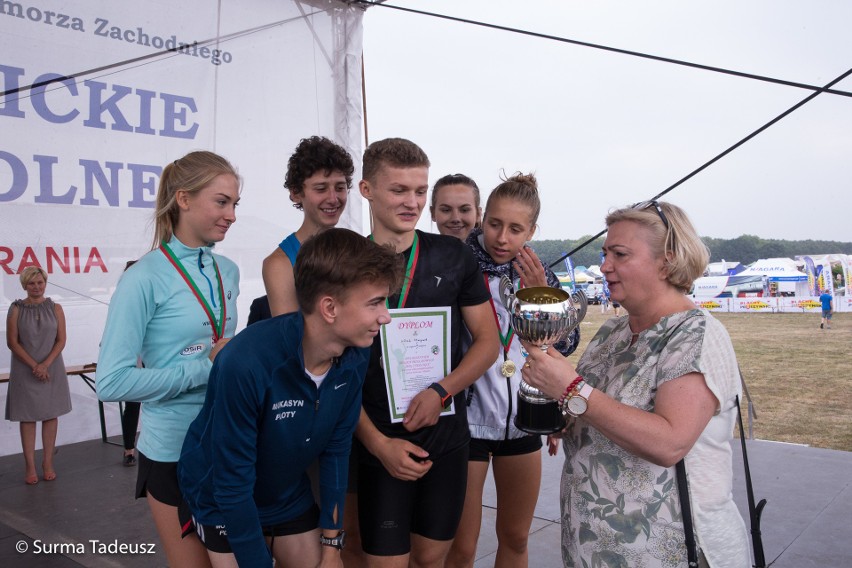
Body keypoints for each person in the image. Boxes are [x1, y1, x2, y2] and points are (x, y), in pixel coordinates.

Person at [519, 200, 750, 567]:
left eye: (620, 254)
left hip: (668, 550)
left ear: (668, 260)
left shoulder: (696, 334)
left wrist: (571, 391)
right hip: (594, 546)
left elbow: (670, 443)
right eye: (604, 252)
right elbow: (597, 409)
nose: (604, 265)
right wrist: (561, 409)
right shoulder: (613, 331)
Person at [178, 228, 404, 568]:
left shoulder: (355, 354)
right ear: (329, 307)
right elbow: (232, 487)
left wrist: (332, 545)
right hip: (222, 500)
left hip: (286, 494)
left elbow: (336, 451)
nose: (386, 316)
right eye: (375, 302)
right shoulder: (245, 363)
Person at [354, 138, 499, 567]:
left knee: (432, 558)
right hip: (376, 440)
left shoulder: (452, 255)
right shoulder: (347, 261)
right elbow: (330, 369)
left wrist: (441, 391)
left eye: (420, 191)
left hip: (444, 437)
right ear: (367, 190)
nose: (412, 202)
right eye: (399, 190)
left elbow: (488, 343)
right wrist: (378, 444)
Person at [97, 151, 241, 568]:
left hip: (229, 442)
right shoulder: (142, 277)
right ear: (183, 198)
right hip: (173, 452)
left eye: (235, 204)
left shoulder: (227, 270)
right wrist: (205, 369)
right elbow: (112, 382)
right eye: (221, 201)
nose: (231, 214)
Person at [446, 173, 579, 568]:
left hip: (523, 422)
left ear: (532, 231)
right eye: (495, 224)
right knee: (462, 546)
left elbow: (565, 345)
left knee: (517, 538)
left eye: (516, 229)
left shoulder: (539, 273)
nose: (503, 238)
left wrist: (540, 294)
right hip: (467, 426)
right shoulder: (457, 265)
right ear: (483, 217)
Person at [262, 136, 355, 317]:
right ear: (296, 193)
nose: (333, 198)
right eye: (321, 189)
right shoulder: (280, 264)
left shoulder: (356, 250)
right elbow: (290, 336)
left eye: (340, 188)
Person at [5, 266, 71, 485]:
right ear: (24, 285)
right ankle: (30, 466)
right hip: (25, 370)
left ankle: (48, 463)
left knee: (51, 415)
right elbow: (12, 342)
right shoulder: (15, 309)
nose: (36, 286)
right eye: (31, 283)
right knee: (28, 417)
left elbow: (61, 340)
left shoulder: (57, 308)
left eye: (40, 282)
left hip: (51, 368)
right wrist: (35, 365)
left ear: (45, 283)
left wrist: (46, 364)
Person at [429, 173, 482, 241]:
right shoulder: (419, 250)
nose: (455, 219)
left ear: (478, 214)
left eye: (464, 210)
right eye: (446, 210)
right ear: (433, 213)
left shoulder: (494, 250)